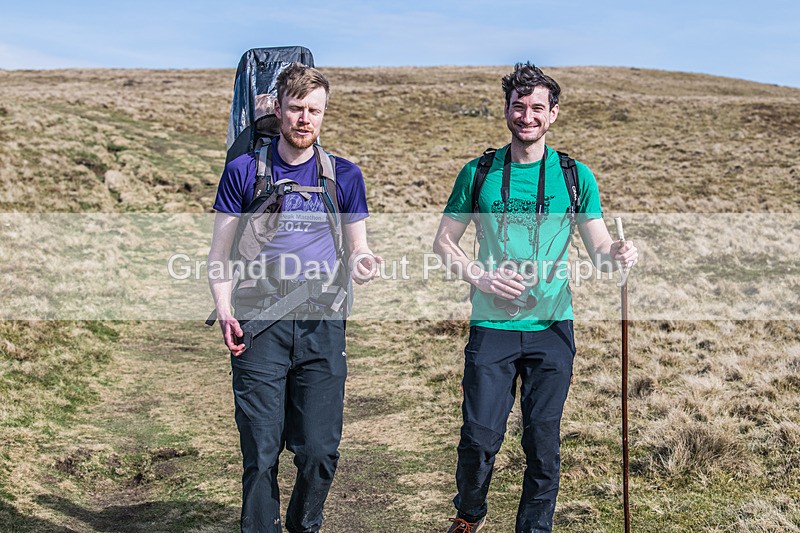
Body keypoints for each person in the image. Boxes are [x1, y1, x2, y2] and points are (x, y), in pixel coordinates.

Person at [433, 62, 638, 533]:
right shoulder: (479, 171)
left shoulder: (574, 176)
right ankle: (469, 514)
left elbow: (600, 250)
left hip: (552, 328)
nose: (527, 116)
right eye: (518, 106)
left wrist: (619, 254)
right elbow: (444, 243)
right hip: (492, 327)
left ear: (554, 114)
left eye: (537, 108)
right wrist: (479, 277)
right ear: (507, 110)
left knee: (542, 441)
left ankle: (535, 528)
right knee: (480, 438)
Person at [207, 63, 381, 533]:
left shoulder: (344, 175)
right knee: (261, 452)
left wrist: (363, 261)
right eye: (297, 109)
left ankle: (305, 524)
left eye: (315, 111)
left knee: (320, 451)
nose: (305, 119)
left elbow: (358, 245)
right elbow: (219, 253)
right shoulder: (243, 171)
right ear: (278, 110)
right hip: (257, 322)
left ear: (324, 115)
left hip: (322, 322)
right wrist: (224, 310)